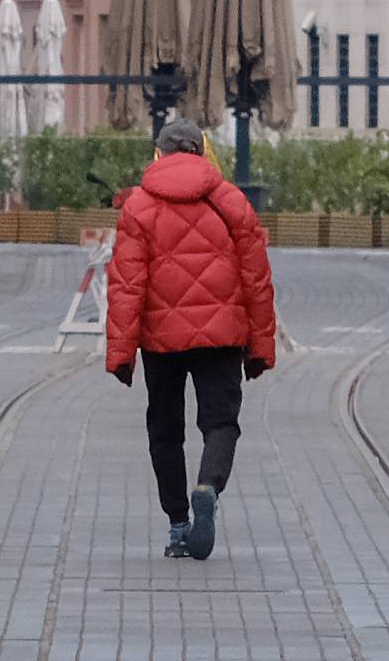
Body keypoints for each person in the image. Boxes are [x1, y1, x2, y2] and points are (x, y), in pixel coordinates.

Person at [106, 117, 276, 560]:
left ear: (158, 153)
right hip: (222, 337)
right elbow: (257, 280)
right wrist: (260, 347)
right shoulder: (232, 202)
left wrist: (121, 354)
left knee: (165, 430)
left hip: (160, 340)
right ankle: (208, 486)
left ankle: (179, 524)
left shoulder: (138, 207)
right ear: (203, 152)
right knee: (220, 423)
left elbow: (126, 285)